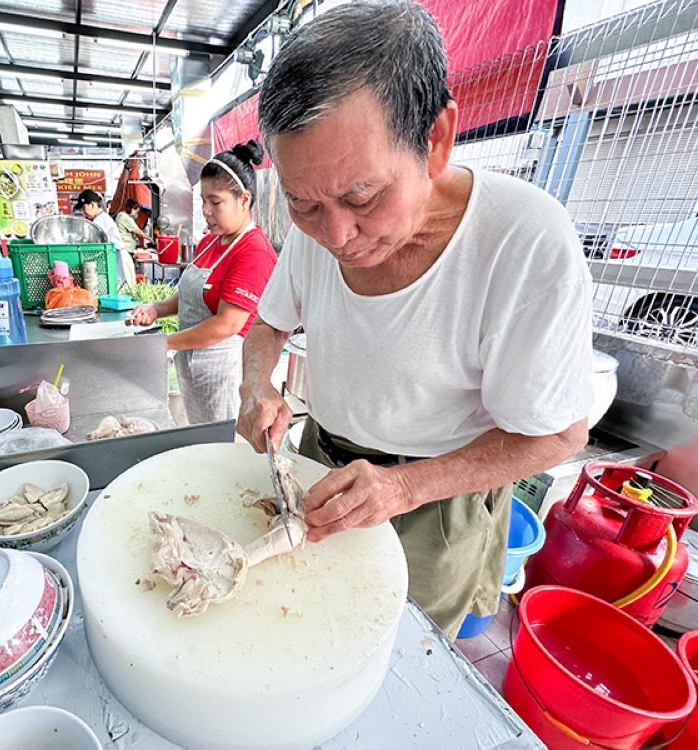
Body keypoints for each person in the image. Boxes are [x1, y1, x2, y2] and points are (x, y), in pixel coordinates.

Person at [236, 0, 593, 638]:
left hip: (434, 502)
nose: (337, 235)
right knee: (300, 629)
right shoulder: (316, 227)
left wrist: (404, 490)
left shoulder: (524, 241)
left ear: (435, 139)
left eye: (361, 196)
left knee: (400, 655)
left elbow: (559, 436)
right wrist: (257, 386)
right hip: (320, 466)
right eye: (303, 204)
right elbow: (267, 326)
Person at [128, 140, 277, 425]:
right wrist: (157, 309)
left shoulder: (253, 251)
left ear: (243, 200)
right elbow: (191, 295)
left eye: (215, 202)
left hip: (224, 373)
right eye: (203, 202)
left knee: (223, 445)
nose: (206, 211)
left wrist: (163, 345)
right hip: (193, 367)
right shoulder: (210, 242)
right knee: (200, 434)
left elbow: (228, 324)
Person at [75, 189, 134, 289]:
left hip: (119, 259)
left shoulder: (100, 221)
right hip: (118, 257)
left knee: (122, 291)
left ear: (92, 205)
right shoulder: (102, 218)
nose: (84, 212)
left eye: (84, 207)